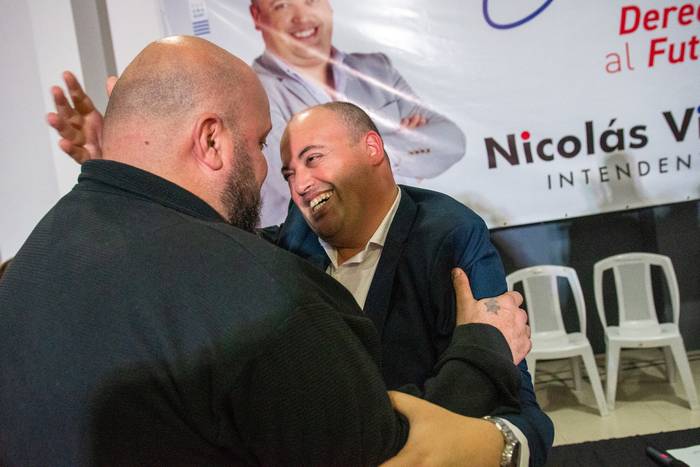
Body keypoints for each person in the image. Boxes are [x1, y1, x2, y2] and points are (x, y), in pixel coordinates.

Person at [2, 36, 530, 465]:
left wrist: (116, 160)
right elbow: (384, 451)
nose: (282, 181)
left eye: (312, 159)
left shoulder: (30, 266)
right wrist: (483, 354)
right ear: (211, 142)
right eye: (262, 148)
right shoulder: (267, 291)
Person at [268, 102, 554, 466]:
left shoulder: (449, 236)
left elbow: (513, 396)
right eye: (289, 174)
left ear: (372, 148)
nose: (301, 185)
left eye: (313, 159)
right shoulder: (287, 245)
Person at [246, 0, 466, 225]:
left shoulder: (377, 69)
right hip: (316, 253)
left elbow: (451, 140)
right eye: (282, 5)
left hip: (407, 232)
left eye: (311, 1)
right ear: (257, 15)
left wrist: (356, 155)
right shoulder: (252, 91)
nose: (301, 17)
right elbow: (301, 185)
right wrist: (398, 141)